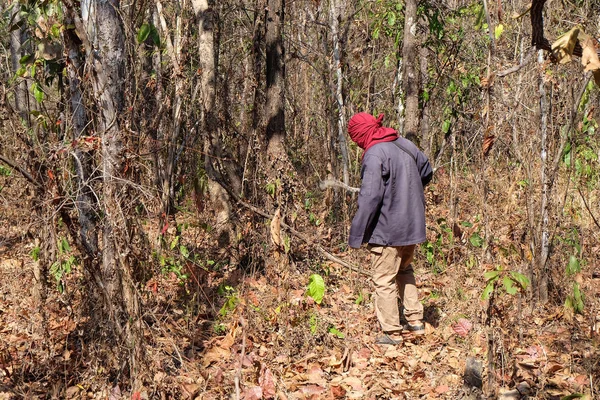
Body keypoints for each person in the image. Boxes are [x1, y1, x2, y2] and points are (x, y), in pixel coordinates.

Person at [347, 112, 433, 345]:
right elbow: (426, 171)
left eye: (355, 137)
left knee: (384, 279)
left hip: (387, 228)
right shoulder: (404, 144)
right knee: (404, 270)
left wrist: (357, 233)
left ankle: (392, 333)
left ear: (362, 133)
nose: (356, 142)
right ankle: (416, 322)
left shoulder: (375, 153)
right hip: (412, 225)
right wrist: (408, 191)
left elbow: (370, 197)